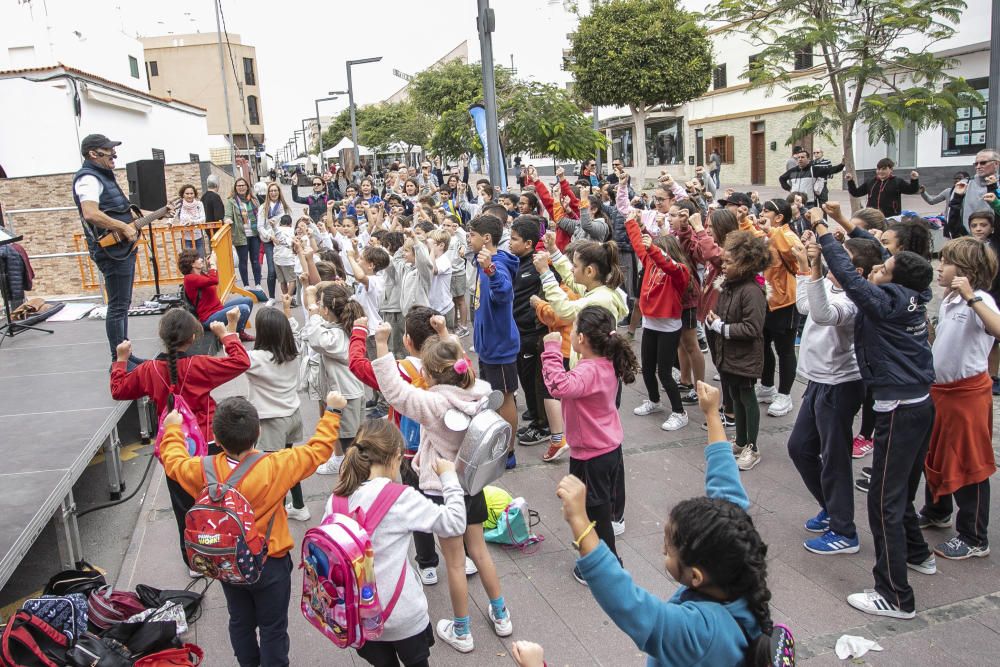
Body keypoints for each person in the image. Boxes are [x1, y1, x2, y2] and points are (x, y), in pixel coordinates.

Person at [558, 381, 773, 665]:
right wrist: (710, 414)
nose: (663, 550)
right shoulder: (737, 560)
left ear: (696, 577)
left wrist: (581, 523)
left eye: (669, 550)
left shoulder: (702, 632)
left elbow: (634, 608)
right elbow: (727, 489)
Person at [160, 392, 345, 667]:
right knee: (273, 628)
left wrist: (173, 428)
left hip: (228, 561)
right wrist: (332, 411)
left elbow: (173, 461)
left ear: (217, 439)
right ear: (258, 432)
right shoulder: (275, 466)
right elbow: (318, 450)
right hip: (270, 562)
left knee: (239, 620)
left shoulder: (202, 469)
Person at [815, 217, 936, 619]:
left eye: (883, 269)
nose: (879, 269)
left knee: (884, 500)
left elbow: (851, 278)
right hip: (919, 403)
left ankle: (895, 595)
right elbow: (880, 258)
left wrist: (821, 233)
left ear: (894, 279)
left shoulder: (886, 302)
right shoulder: (911, 293)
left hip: (899, 410)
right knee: (900, 490)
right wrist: (848, 233)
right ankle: (919, 554)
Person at [372, 326, 513, 654]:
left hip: (441, 488)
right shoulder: (479, 390)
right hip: (472, 484)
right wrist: (444, 333)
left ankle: (462, 630)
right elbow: (460, 359)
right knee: (478, 551)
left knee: (453, 561)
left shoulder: (434, 404)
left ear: (428, 373)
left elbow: (396, 393)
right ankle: (502, 614)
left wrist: (381, 344)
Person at [109, 308, 250, 575]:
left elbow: (118, 391)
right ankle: (226, 546)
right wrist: (226, 336)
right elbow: (241, 361)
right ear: (195, 336)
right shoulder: (199, 364)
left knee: (184, 505)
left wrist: (121, 360)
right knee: (218, 498)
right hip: (208, 442)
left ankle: (195, 561)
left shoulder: (149, 369)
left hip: (175, 447)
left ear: (162, 337)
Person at [327, 419, 465, 667]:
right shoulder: (400, 499)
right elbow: (454, 523)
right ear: (397, 457)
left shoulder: (336, 499)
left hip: (358, 616)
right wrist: (450, 478)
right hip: (402, 614)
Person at [788, 227, 882, 555]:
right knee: (799, 447)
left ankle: (844, 531)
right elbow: (804, 306)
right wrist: (805, 267)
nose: (830, 265)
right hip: (819, 382)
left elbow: (823, 314)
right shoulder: (828, 283)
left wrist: (812, 271)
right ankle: (830, 507)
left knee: (835, 458)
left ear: (856, 271)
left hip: (840, 385)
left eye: (839, 262)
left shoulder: (857, 300)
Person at [542, 305, 638, 583]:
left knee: (595, 511)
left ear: (582, 339)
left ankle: (609, 566)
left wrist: (550, 350)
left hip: (592, 455)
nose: (568, 334)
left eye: (571, 330)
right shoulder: (604, 363)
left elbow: (557, 387)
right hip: (607, 448)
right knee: (596, 507)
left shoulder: (589, 372)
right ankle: (594, 555)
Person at [919, 237, 999, 559]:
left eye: (946, 262)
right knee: (934, 452)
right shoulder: (951, 300)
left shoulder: (980, 300)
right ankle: (938, 511)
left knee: (970, 463)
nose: (939, 267)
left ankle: (974, 537)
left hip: (966, 395)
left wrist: (970, 297)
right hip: (942, 392)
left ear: (965, 270)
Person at [72, 134, 165, 368]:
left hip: (122, 249)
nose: (114, 155)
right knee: (117, 306)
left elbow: (122, 211)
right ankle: (119, 361)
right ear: (94, 154)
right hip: (111, 252)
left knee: (122, 304)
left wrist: (157, 213)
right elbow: (91, 213)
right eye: (108, 150)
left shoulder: (104, 177)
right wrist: (123, 227)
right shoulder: (88, 179)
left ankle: (125, 354)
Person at [706, 230, 770, 471]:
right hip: (729, 353)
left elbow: (752, 328)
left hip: (744, 355)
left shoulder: (751, 290)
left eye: (729, 262)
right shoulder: (730, 286)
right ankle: (741, 440)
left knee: (746, 396)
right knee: (734, 395)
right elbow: (723, 313)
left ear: (745, 264)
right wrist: (715, 319)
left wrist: (720, 326)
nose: (723, 266)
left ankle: (752, 446)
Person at [624, 210, 692, 432]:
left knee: (664, 372)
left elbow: (669, 265)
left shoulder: (680, 271)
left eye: (657, 252)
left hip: (669, 327)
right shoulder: (650, 261)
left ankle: (679, 412)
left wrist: (653, 248)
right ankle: (654, 400)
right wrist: (631, 221)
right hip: (651, 324)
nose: (651, 254)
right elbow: (637, 243)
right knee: (648, 367)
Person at [245, 300, 309, 521]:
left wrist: (233, 325)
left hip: (271, 421)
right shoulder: (293, 352)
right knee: (287, 465)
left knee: (273, 471)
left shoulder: (256, 360)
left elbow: (231, 353)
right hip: (292, 415)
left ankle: (277, 512)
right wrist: (288, 312)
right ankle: (298, 505)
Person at [468, 214, 521, 468]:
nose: (469, 239)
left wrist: (489, 269)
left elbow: (504, 292)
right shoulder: (483, 260)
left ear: (486, 238)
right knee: (493, 397)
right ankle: (496, 443)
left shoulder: (496, 264)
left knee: (506, 397)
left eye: (473, 235)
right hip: (488, 343)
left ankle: (508, 452)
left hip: (499, 345)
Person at [302, 282, 367, 475]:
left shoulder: (337, 336)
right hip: (347, 392)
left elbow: (316, 338)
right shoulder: (339, 327)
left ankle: (354, 483)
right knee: (349, 439)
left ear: (328, 310)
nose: (317, 308)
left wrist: (313, 315)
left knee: (350, 445)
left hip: (347, 395)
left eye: (321, 304)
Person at [510, 216, 562, 450]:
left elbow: (554, 287)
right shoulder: (516, 263)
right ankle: (534, 414)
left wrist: (536, 315)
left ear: (529, 243)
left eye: (514, 239)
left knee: (536, 381)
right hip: (519, 331)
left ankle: (543, 425)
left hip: (533, 333)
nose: (510, 243)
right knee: (525, 376)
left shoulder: (539, 266)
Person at [178, 249, 255, 341]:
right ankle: (233, 336)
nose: (201, 259)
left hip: (217, 310)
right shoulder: (189, 279)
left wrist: (210, 265)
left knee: (247, 300)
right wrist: (213, 264)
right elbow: (214, 280)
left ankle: (239, 332)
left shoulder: (200, 274)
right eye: (198, 258)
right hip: (208, 318)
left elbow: (213, 280)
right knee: (243, 308)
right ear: (192, 263)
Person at [846, 158, 920, 218]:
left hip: (891, 218)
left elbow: (911, 190)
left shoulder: (897, 181)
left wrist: (914, 180)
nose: (880, 171)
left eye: (884, 169)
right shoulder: (871, 182)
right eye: (878, 169)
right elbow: (856, 193)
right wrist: (850, 181)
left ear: (891, 169)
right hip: (872, 217)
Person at [225, 177, 263, 291]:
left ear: (247, 187)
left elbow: (261, 214)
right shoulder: (231, 201)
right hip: (241, 235)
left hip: (254, 234)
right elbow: (227, 215)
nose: (241, 187)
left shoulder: (254, 200)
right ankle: (246, 285)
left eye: (243, 185)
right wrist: (227, 220)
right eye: (238, 186)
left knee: (255, 260)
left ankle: (258, 284)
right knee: (243, 260)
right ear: (235, 188)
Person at [257, 182, 291, 301]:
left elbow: (288, 223)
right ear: (268, 193)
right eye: (271, 191)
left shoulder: (284, 207)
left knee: (286, 267)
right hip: (269, 241)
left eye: (275, 190)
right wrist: (271, 237)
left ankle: (290, 296)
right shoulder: (263, 207)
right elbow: (260, 227)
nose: (273, 193)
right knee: (272, 270)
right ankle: (271, 297)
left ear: (279, 192)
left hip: (282, 240)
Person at [778, 148, 845, 207]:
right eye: (798, 158)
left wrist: (842, 164)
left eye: (802, 157)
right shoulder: (792, 171)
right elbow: (782, 178)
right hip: (795, 202)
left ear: (808, 159)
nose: (800, 159)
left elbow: (830, 170)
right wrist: (790, 189)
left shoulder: (813, 170)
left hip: (809, 203)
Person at [176, 184, 206, 257]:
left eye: (191, 193)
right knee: (188, 262)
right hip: (186, 238)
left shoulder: (199, 204)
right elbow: (173, 216)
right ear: (183, 194)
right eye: (187, 193)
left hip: (199, 237)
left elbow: (203, 219)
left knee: (200, 259)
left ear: (194, 194)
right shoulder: (180, 205)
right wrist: (169, 222)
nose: (189, 196)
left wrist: (193, 222)